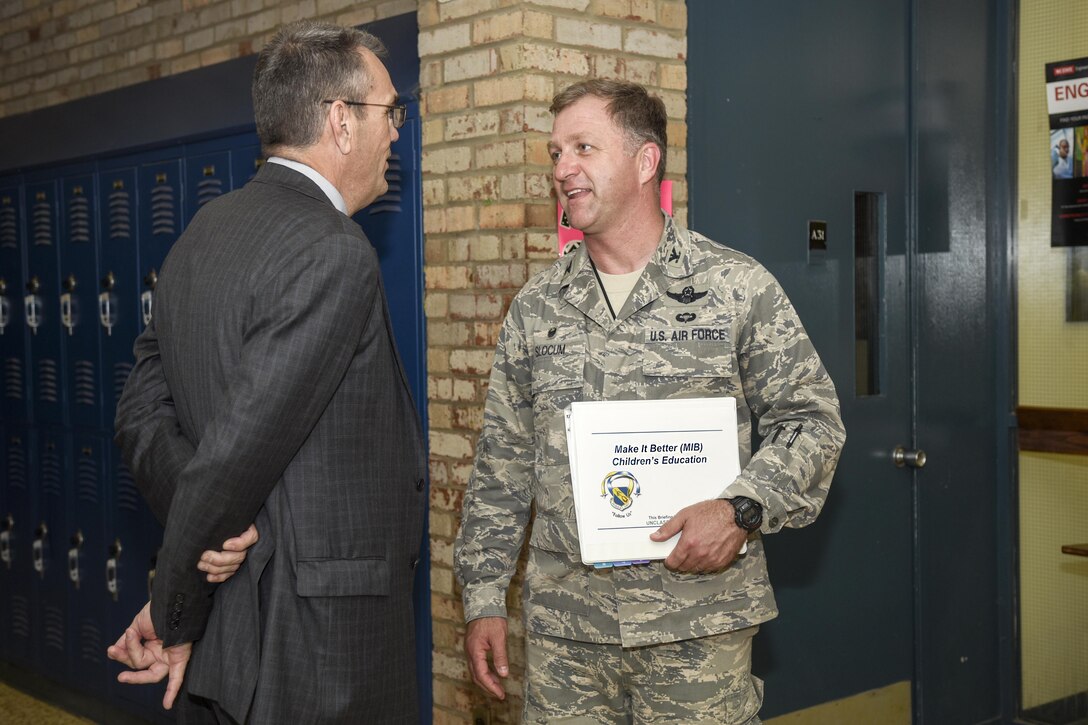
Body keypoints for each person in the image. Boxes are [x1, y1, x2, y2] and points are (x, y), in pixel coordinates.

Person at [454, 79, 846, 724]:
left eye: (584, 147)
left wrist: (740, 508)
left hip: (698, 626)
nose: (563, 168)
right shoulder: (536, 307)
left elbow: (812, 423)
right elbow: (503, 465)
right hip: (567, 636)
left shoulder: (734, 287)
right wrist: (485, 597)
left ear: (645, 162)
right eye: (555, 153)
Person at [106, 20, 426, 724]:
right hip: (314, 656)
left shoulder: (202, 233)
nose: (397, 133)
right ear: (342, 121)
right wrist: (176, 607)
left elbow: (138, 412)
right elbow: (235, 455)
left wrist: (212, 537)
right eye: (390, 111)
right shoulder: (333, 252)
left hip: (242, 633)